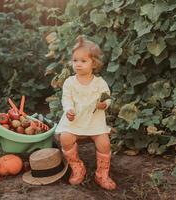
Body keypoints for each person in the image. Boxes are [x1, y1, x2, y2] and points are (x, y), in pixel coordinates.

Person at [55, 36, 116, 190]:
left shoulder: (99, 82)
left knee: (104, 142)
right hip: (75, 119)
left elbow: (107, 97)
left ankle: (102, 174)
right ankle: (77, 167)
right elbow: (66, 99)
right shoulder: (70, 82)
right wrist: (68, 109)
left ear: (93, 63)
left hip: (94, 120)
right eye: (75, 61)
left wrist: (104, 104)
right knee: (66, 138)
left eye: (83, 61)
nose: (78, 64)